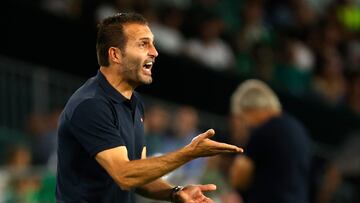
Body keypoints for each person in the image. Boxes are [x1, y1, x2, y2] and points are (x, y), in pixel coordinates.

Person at [56, 12, 243, 203]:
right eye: (143, 44)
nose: (154, 52)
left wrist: (176, 192)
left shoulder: (134, 102)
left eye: (152, 43)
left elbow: (140, 176)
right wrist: (189, 153)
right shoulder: (91, 104)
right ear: (115, 55)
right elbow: (124, 175)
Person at [229, 79, 312, 203]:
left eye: (241, 117)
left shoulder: (265, 129)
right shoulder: (298, 128)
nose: (244, 123)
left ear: (249, 109)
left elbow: (238, 177)